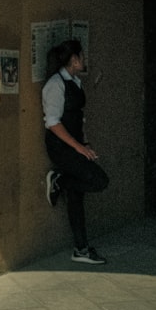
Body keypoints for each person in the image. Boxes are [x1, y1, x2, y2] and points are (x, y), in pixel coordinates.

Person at [41, 39, 109, 264]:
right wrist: (78, 147)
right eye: (81, 56)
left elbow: (80, 117)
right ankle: (60, 180)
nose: (84, 60)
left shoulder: (76, 82)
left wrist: (85, 142)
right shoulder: (55, 84)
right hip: (61, 148)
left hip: (75, 145)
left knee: (76, 198)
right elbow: (53, 123)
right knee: (99, 180)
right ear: (73, 60)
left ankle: (81, 249)